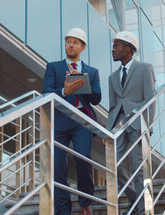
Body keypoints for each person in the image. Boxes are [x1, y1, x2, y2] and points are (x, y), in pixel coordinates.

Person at [43, 28, 101, 215]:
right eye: (68, 41)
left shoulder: (92, 71)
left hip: (81, 120)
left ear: (82, 47)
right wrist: (65, 91)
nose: (71, 45)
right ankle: (62, 209)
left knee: (82, 157)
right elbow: (46, 92)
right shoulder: (53, 67)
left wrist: (86, 85)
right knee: (58, 164)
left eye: (75, 42)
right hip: (60, 119)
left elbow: (97, 98)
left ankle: (85, 202)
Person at [106, 31, 156, 215]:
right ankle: (135, 197)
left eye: (116, 46)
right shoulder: (112, 77)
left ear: (128, 48)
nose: (113, 50)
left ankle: (144, 209)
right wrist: (107, 131)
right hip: (118, 126)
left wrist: (146, 126)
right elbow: (112, 107)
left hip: (137, 125)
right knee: (113, 165)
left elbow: (150, 99)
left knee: (138, 168)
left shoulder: (144, 68)